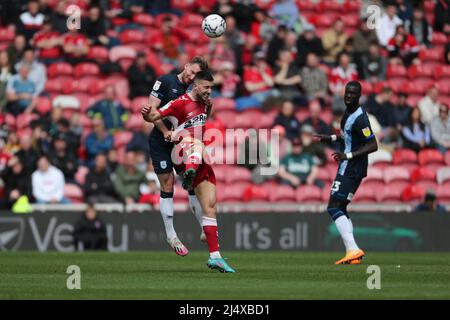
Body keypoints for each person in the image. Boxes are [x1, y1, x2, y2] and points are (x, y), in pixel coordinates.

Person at [146, 70, 236, 273]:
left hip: (199, 154)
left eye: (211, 88)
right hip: (183, 148)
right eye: (206, 87)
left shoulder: (206, 103)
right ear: (195, 85)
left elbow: (203, 121)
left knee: (211, 206)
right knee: (194, 144)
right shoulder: (179, 102)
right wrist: (147, 114)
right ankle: (189, 173)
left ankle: (215, 256)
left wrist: (209, 108)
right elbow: (155, 114)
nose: (209, 91)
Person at [140, 56, 208, 257]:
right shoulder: (165, 81)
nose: (192, 76)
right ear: (186, 66)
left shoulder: (196, 90)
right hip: (161, 141)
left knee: (191, 181)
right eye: (192, 71)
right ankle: (171, 235)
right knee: (168, 184)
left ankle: (204, 227)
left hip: (182, 141)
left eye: (197, 75)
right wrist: (164, 131)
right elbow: (152, 111)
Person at [313, 81, 378, 265]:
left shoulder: (361, 118)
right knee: (340, 207)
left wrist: (347, 155)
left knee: (333, 206)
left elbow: (373, 145)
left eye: (353, 93)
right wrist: (330, 138)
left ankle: (353, 249)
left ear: (359, 96)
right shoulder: (348, 113)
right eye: (347, 92)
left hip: (352, 168)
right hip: (348, 166)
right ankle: (352, 252)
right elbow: (348, 136)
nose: (348, 96)